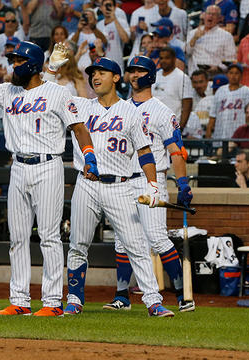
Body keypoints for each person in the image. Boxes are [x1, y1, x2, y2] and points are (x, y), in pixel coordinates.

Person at [0, 33, 98, 317]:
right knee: (17, 237)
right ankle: (19, 300)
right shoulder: (8, 91)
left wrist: (89, 154)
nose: (14, 65)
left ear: (32, 64)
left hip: (48, 166)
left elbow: (79, 127)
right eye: (13, 60)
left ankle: (52, 302)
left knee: (49, 236)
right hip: (17, 167)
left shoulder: (57, 92)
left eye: (18, 61)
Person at [59, 56, 174, 317]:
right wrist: (53, 69)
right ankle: (75, 298)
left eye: (102, 72)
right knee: (79, 244)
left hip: (120, 186)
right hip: (87, 184)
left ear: (116, 78)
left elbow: (145, 153)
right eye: (93, 73)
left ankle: (153, 301)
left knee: (136, 245)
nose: (95, 77)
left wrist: (153, 185)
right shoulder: (81, 106)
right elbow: (48, 91)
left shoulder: (131, 112)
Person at [101, 55, 195, 313]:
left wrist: (183, 183)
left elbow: (176, 150)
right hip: (123, 181)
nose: (134, 75)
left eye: (139, 70)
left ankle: (182, 296)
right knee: (122, 241)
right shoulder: (120, 107)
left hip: (149, 180)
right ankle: (122, 297)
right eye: (131, 70)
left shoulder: (162, 111)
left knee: (156, 238)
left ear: (151, 76)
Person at [206, 64, 249, 147]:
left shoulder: (247, 92)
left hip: (239, 135)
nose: (233, 76)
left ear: (241, 75)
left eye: (236, 73)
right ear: (227, 74)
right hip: (220, 134)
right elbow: (213, 115)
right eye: (231, 73)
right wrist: (208, 132)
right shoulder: (220, 91)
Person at [185, 5, 236, 76]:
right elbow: (187, 53)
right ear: (204, 16)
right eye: (208, 13)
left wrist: (218, 68)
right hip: (195, 76)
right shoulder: (193, 33)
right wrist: (194, 39)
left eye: (214, 15)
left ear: (219, 18)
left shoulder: (226, 36)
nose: (210, 16)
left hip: (215, 76)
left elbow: (230, 60)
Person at [152, 47, 192, 130]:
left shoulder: (182, 77)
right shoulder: (155, 75)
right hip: (153, 126)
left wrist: (181, 127)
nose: (163, 61)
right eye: (161, 58)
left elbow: (187, 104)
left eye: (167, 58)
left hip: (171, 127)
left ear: (174, 59)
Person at [96, 0, 129, 71]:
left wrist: (114, 19)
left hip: (117, 64)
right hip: (102, 65)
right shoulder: (98, 25)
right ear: (101, 8)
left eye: (110, 5)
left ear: (114, 7)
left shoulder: (121, 22)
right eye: (105, 5)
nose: (108, 8)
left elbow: (126, 40)